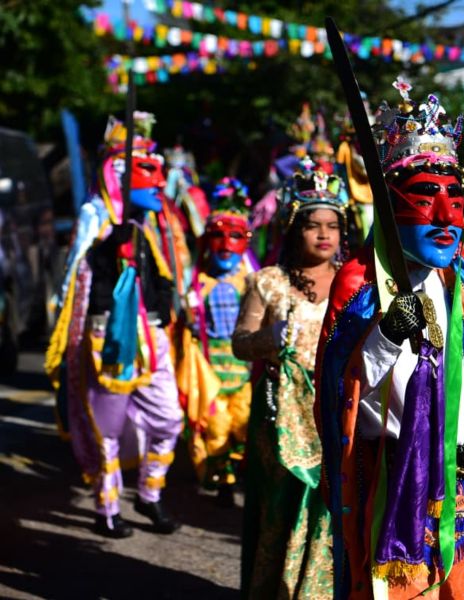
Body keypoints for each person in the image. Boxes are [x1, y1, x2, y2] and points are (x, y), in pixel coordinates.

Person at [315, 78, 464, 599]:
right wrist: (387, 335)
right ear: (390, 207)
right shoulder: (359, 284)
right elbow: (341, 399)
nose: (445, 216)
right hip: (395, 478)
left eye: (454, 198)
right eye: (423, 198)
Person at [45, 113, 183, 538]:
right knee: (105, 429)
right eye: (147, 169)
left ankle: (150, 494)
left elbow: (161, 274)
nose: (159, 180)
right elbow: (78, 280)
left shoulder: (149, 225)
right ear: (116, 174)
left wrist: (165, 308)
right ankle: (107, 509)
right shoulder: (96, 218)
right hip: (107, 340)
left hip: (151, 338)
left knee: (169, 419)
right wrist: (108, 248)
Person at [233, 157, 347, 598]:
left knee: (328, 507)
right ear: (293, 229)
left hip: (334, 410)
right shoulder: (268, 282)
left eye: (332, 226)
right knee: (280, 507)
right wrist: (269, 338)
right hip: (278, 416)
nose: (323, 235)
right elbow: (240, 343)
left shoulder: (353, 282)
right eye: (312, 226)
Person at [176, 178, 255, 506]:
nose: (226, 245)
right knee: (217, 425)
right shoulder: (198, 284)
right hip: (211, 369)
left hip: (244, 367)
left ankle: (241, 475)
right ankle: (223, 481)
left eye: (235, 236)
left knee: (244, 422)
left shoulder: (249, 281)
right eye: (219, 236)